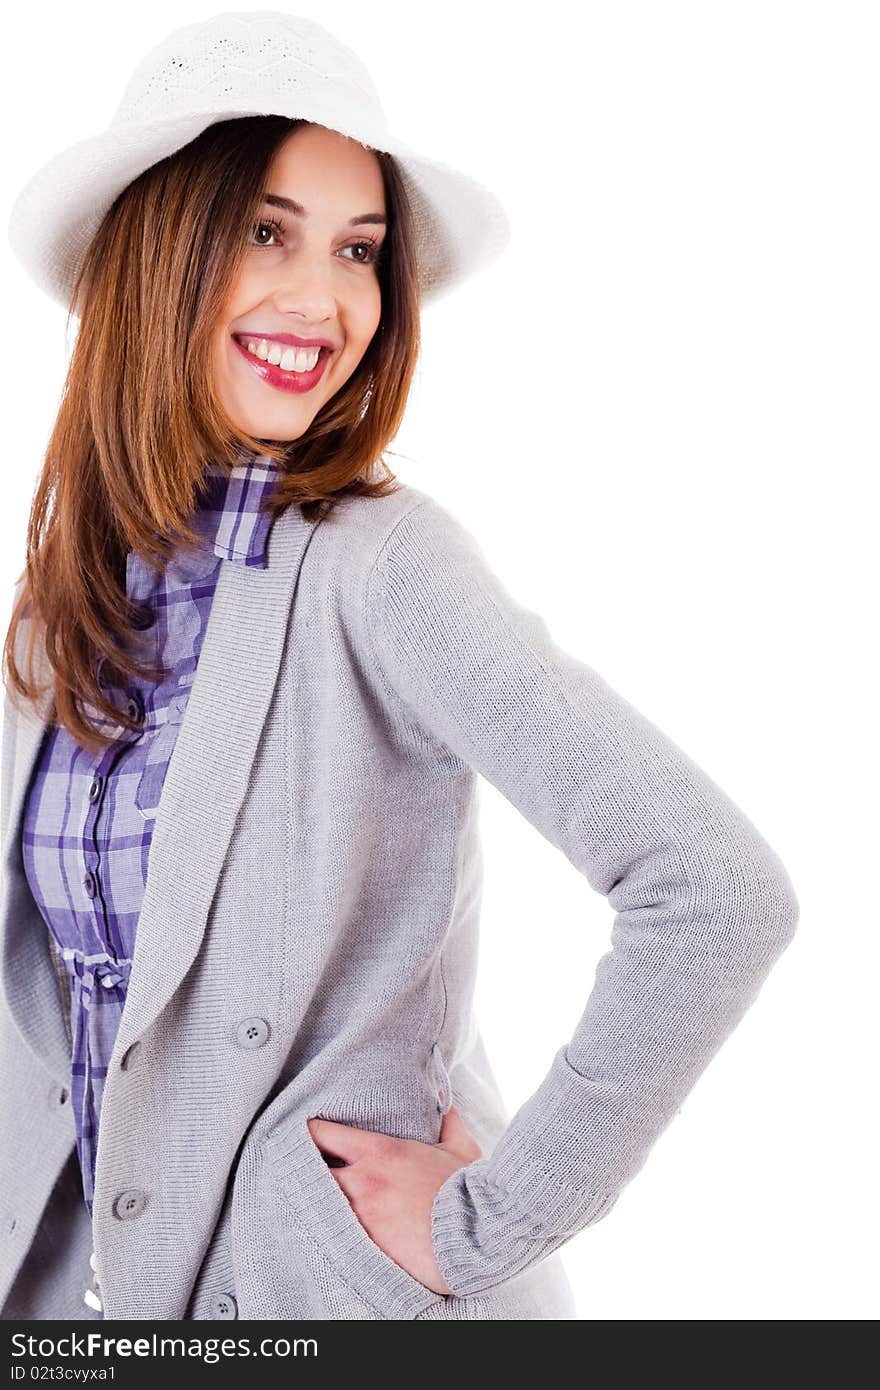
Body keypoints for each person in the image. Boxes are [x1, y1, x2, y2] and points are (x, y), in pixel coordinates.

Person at [0, 12, 799, 1322]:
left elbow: (712, 887)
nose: (324, 300)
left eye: (358, 249)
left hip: (309, 1306)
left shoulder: (381, 567)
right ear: (155, 251)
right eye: (267, 230)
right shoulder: (55, 615)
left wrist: (494, 1219)